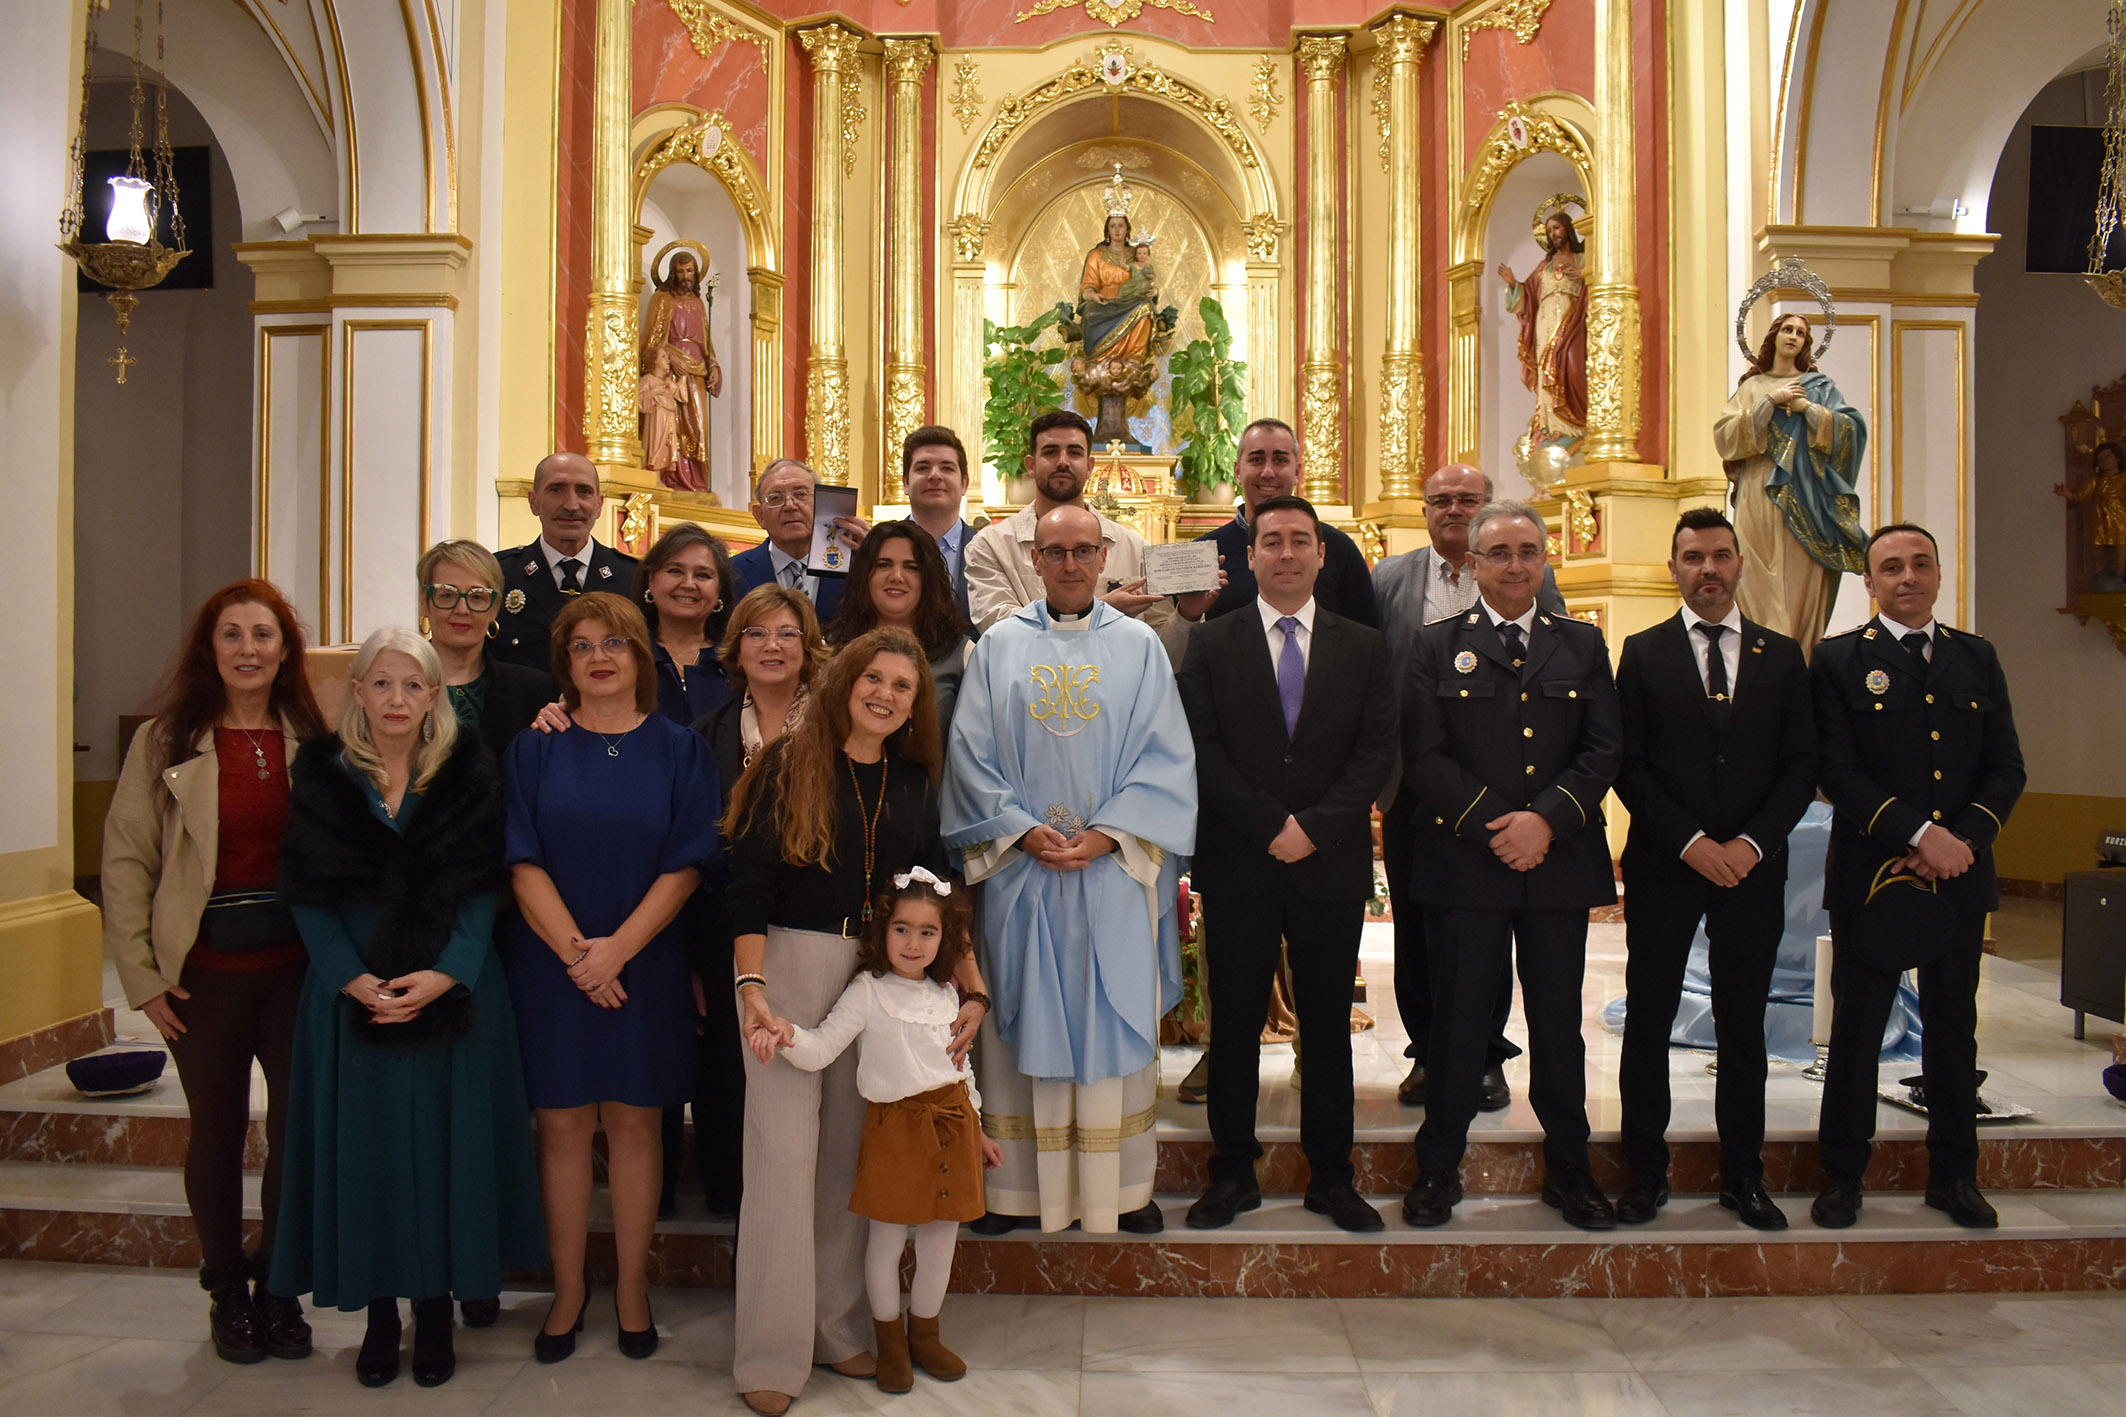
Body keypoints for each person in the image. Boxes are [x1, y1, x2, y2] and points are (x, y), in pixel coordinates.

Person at [270, 629, 547, 1388]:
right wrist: (347, 978)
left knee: (444, 1150)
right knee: (370, 1152)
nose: (397, 699)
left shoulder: (467, 770)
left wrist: (450, 972)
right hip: (352, 993)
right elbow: (306, 890)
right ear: (357, 691)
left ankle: (436, 1309)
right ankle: (380, 1312)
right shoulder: (322, 773)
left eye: (412, 686)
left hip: (453, 991)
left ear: (435, 696)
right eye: (381, 684)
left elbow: (488, 883)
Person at [723, 627, 973, 1416]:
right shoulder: (786, 763)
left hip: (875, 982)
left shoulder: (913, 783)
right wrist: (752, 984)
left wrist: (972, 987)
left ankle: (834, 1328)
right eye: (874, 678)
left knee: (841, 1167)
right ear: (844, 682)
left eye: (904, 687)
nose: (887, 695)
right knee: (780, 1159)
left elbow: (938, 896)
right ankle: (769, 1350)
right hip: (790, 969)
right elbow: (746, 885)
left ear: (914, 705)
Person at [945, 503, 1198, 1237]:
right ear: (1033, 558)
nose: (1070, 564)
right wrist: (1020, 832)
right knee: (1020, 1017)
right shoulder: (996, 648)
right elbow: (970, 756)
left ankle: (1121, 1187)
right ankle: (1017, 1190)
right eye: (1054, 552)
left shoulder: (1141, 647)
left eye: (1083, 550)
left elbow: (1166, 756)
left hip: (1112, 874)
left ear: (1104, 557)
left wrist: (1109, 835)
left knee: (1112, 1012)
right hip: (1021, 874)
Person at [100, 580, 327, 1365]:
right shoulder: (168, 741)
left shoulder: (312, 735)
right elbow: (127, 860)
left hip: (296, 969)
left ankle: (279, 1283)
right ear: (211, 648)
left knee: (298, 1130)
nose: (248, 649)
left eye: (263, 635)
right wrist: (143, 977)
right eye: (232, 635)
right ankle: (226, 1284)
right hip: (204, 974)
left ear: (284, 650)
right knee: (219, 1128)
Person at [503, 592, 721, 1362]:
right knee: (562, 1126)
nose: (600, 656)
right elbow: (520, 859)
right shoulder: (534, 749)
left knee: (635, 1123)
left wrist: (615, 952)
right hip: (551, 962)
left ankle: (631, 1287)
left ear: (640, 658)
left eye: (616, 643)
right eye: (583, 645)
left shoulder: (680, 748)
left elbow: (688, 862)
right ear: (564, 663)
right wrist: (577, 954)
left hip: (645, 961)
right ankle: (568, 1289)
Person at [1175, 496, 1396, 1234]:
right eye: (1272, 541)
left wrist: (1317, 827)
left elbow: (1376, 753)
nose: (1288, 553)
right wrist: (1271, 824)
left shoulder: (1364, 645)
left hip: (1327, 863)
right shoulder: (1211, 643)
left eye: (1302, 540)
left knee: (1328, 1026)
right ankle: (1231, 1173)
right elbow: (1200, 748)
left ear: (1323, 553)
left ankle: (1332, 1176)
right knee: (1234, 1025)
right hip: (1241, 858)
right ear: (1250, 554)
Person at [1398, 500, 1620, 1231]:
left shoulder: (1583, 644)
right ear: (1474, 564)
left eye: (1528, 550)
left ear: (1545, 558)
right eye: (1499, 552)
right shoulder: (1435, 645)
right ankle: (1438, 1168)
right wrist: (1500, 826)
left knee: (1559, 1025)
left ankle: (1571, 1169)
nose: (1516, 564)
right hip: (1469, 862)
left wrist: (1544, 822)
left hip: (1555, 864)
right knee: (1459, 1027)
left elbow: (1602, 750)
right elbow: (1425, 755)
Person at [1809, 523, 2025, 1232]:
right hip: (1876, 877)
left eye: (1920, 564)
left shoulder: (1976, 657)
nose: (1908, 576)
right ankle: (1843, 1174)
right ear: (1868, 583)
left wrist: (1960, 841)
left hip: (1958, 875)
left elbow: (2006, 768)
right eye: (1891, 567)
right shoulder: (1839, 660)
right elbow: (1835, 769)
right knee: (1859, 1030)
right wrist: (1917, 833)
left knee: (1953, 1029)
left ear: (1938, 573)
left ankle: (1955, 1173)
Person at [1613, 508, 1818, 1231]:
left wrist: (1750, 844)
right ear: (1674, 567)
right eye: (1693, 557)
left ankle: (1744, 1175)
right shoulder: (1642, 652)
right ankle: (1644, 1173)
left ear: (1739, 564)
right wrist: (1693, 841)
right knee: (1649, 1022)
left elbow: (1800, 767)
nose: (1708, 569)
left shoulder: (1782, 656)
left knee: (1742, 1026)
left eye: (1720, 555)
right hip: (1668, 867)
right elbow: (1628, 766)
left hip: (1752, 871)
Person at [750, 869, 1003, 1396]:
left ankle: (925, 1335)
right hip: (894, 1133)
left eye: (928, 933)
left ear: (946, 939)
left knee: (940, 1242)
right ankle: (889, 1343)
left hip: (952, 1128)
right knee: (885, 1243)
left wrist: (976, 1129)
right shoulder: (867, 991)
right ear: (882, 931)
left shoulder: (947, 994)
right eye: (902, 929)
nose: (913, 944)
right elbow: (821, 1048)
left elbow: (960, 1069)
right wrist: (786, 1032)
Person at [1372, 464, 1563, 1109]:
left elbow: (1549, 669)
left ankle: (1486, 1055)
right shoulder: (1390, 578)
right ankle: (1428, 1053)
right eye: (1441, 500)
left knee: (1491, 926)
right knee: (1417, 928)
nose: (1454, 510)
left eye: (1468, 500)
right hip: (1412, 784)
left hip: (1502, 792)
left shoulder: (1533, 577)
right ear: (1425, 510)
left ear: (1489, 507)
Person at [685, 586, 833, 1217]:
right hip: (726, 936)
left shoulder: (839, 726)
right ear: (736, 648)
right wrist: (696, 962)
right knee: (731, 1073)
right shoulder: (701, 737)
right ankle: (740, 1214)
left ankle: (810, 1218)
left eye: (788, 633)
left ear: (809, 648)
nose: (773, 646)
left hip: (820, 936)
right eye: (757, 633)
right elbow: (691, 856)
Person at [963, 409, 1210, 648]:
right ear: (1031, 465)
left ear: (1090, 466)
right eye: (1050, 452)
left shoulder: (1135, 548)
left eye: (1074, 452)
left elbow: (1162, 650)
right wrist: (1101, 612)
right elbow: (999, 634)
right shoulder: (990, 546)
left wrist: (1186, 615)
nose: (1062, 461)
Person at [1714, 312, 1868, 652]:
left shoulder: (1819, 387)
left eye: (1801, 332)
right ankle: (1758, 656)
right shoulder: (1752, 387)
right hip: (1758, 487)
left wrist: (1807, 409)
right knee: (1753, 574)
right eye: (1787, 329)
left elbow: (1852, 430)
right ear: (1774, 336)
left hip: (1805, 495)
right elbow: (1725, 437)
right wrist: (1770, 401)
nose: (1793, 336)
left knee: (1797, 583)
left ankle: (1797, 658)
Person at [1168, 417, 1381, 631]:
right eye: (1256, 460)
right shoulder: (1201, 554)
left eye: (1280, 460)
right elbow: (1176, 651)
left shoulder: (1339, 548)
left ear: (1297, 472)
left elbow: (1367, 644)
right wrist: (1188, 615)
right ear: (1237, 471)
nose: (1268, 472)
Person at [493, 452, 641, 670]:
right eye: (556, 490)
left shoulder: (633, 578)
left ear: (599, 504)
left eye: (584, 491)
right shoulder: (499, 575)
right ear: (534, 502)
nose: (571, 505)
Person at [417, 539, 556, 767]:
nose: (462, 609)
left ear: (494, 607)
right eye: (447, 595)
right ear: (424, 603)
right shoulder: (395, 685)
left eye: (477, 596)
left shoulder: (533, 691)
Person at [827, 521, 972, 730]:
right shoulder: (831, 650)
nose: (896, 577)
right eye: (883, 565)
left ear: (929, 578)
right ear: (864, 575)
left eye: (911, 568)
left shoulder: (962, 655)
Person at [728, 458, 870, 620]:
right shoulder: (733, 572)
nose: (789, 505)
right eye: (775, 497)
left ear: (821, 505)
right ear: (760, 516)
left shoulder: (856, 568)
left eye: (801, 494)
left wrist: (872, 555)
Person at [1498, 207, 1588, 455]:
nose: (1553, 234)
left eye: (1556, 228)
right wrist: (1514, 284)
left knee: (1572, 365)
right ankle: (1552, 426)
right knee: (1547, 372)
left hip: (1573, 319)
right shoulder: (1544, 266)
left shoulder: (1582, 259)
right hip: (1544, 323)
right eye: (1549, 231)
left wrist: (1583, 276)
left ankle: (1575, 424)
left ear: (1567, 229)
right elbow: (1528, 297)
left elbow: (1600, 283)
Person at [638, 248, 723, 493]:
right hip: (671, 371)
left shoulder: (698, 302)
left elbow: (707, 342)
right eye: (680, 271)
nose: (686, 276)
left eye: (690, 271)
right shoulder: (662, 300)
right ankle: (672, 478)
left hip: (696, 372)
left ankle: (696, 480)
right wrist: (671, 356)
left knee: (698, 427)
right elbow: (652, 342)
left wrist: (713, 366)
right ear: (672, 274)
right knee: (670, 425)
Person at [637, 523, 736, 728]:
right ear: (651, 581)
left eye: (703, 575)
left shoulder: (738, 660)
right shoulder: (626, 654)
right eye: (675, 571)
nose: (688, 584)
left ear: (719, 592)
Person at [899, 425, 988, 632]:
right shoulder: (879, 549)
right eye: (922, 468)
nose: (935, 476)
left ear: (964, 484)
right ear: (905, 483)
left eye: (947, 468)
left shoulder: (988, 550)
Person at [1078, 212, 1160, 364]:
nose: (1117, 230)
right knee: (1090, 313)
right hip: (1104, 303)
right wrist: (1093, 296)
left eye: (1120, 225)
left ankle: (1134, 360)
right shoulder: (1096, 255)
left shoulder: (1137, 255)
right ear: (1107, 231)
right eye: (1113, 226)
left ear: (1127, 230)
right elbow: (1087, 286)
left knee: (1145, 307)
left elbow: (1146, 279)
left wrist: (1153, 291)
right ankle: (1098, 362)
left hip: (1131, 300)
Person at [2055, 438, 2126, 587]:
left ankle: (2121, 575)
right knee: (2097, 546)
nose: (2104, 461)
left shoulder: (2123, 478)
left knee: (2121, 544)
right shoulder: (2095, 480)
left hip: (2120, 516)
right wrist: (2066, 493)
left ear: (2117, 457)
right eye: (2100, 459)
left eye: (2108, 456)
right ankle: (2101, 575)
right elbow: (2080, 496)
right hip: (2100, 517)